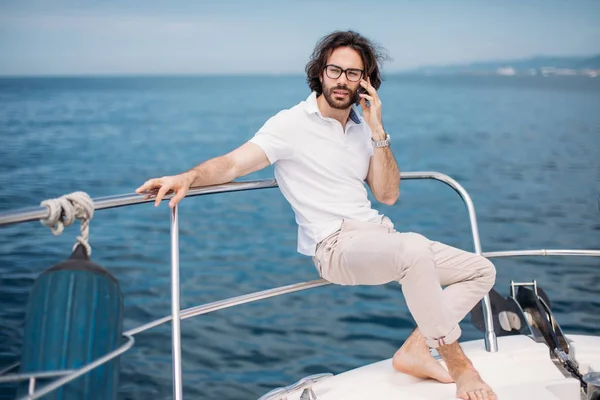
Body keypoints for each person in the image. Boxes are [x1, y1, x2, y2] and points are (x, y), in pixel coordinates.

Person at [136, 30, 497, 400]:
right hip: (335, 245)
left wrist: (377, 129)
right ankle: (461, 368)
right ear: (320, 73)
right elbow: (232, 163)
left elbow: (388, 195)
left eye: (353, 73)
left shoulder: (361, 128)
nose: (343, 80)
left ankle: (417, 349)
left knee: (481, 270)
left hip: (378, 235)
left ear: (366, 81)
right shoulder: (290, 124)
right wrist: (189, 177)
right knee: (415, 250)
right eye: (335, 70)